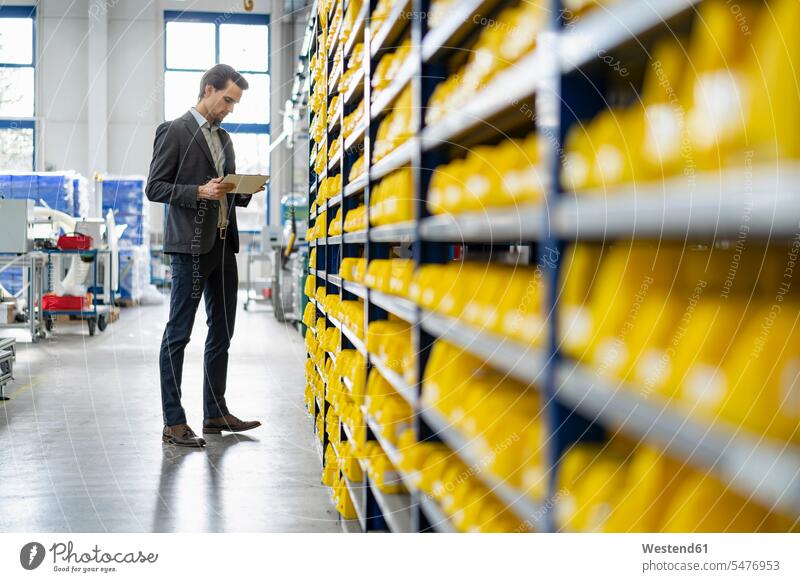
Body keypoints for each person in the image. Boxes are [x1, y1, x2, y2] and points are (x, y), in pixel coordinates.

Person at [146, 64, 263, 448]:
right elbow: (155, 187)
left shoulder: (225, 139)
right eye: (227, 99)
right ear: (208, 89)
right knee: (178, 333)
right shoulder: (175, 131)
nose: (230, 108)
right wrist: (198, 192)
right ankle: (173, 421)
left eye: (235, 103)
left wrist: (245, 189)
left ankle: (214, 412)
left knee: (223, 330)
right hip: (190, 248)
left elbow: (224, 188)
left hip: (224, 244)